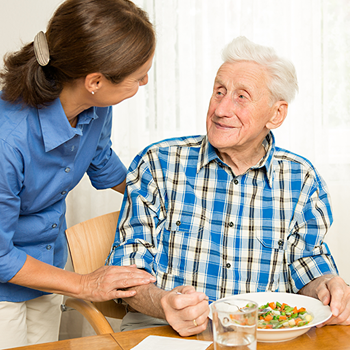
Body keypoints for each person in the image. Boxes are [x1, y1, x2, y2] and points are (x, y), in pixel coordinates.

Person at [108, 36, 350, 337]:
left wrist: (328, 286)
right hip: (164, 333)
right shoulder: (158, 163)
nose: (221, 109)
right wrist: (163, 303)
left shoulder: (301, 180)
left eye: (241, 97)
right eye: (219, 92)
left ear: (276, 114)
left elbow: (307, 264)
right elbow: (127, 271)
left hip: (262, 339)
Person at [0, 0, 157, 348]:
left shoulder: (95, 108)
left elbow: (100, 162)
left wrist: (160, 194)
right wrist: (85, 284)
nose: (145, 81)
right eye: (138, 76)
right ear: (95, 81)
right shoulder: (7, 139)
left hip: (46, 268)